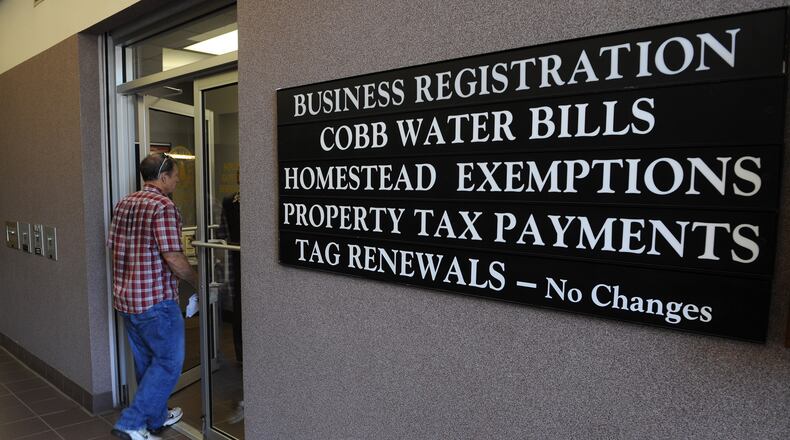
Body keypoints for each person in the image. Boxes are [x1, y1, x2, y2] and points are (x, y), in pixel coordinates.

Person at [108, 153, 198, 440]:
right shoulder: (163, 206)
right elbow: (173, 256)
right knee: (169, 362)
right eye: (174, 175)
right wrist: (197, 281)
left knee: (147, 363)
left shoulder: (123, 203)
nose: (177, 179)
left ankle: (156, 417)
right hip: (155, 303)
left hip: (127, 300)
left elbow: (114, 248)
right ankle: (131, 422)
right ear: (162, 177)